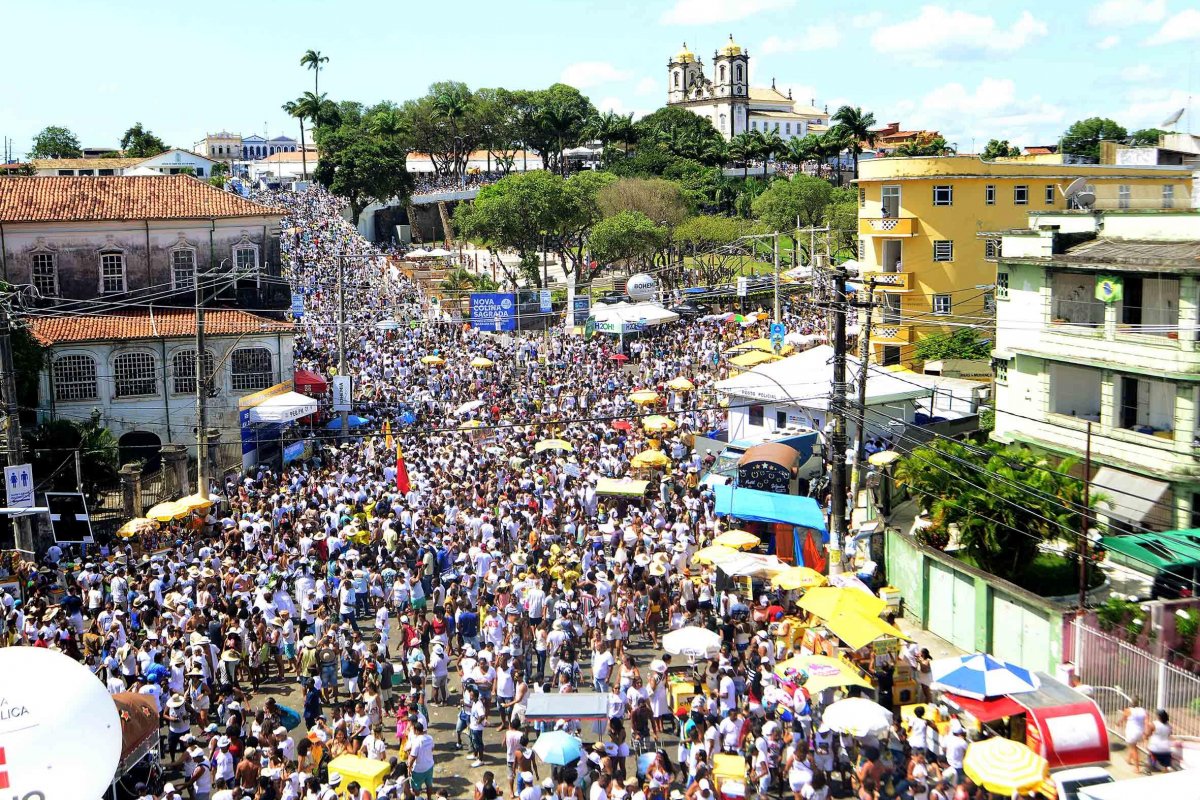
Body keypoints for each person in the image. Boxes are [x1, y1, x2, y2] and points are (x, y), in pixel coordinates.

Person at [1122, 696, 1148, 771]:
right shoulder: (1143, 711)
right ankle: (1128, 760)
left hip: (1131, 732)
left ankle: (1137, 768)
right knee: (1132, 746)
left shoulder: (1128, 710)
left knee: (1133, 748)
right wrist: (1145, 733)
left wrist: (1118, 723)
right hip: (1140, 731)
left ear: (1131, 703)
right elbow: (1146, 722)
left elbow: (1122, 719)